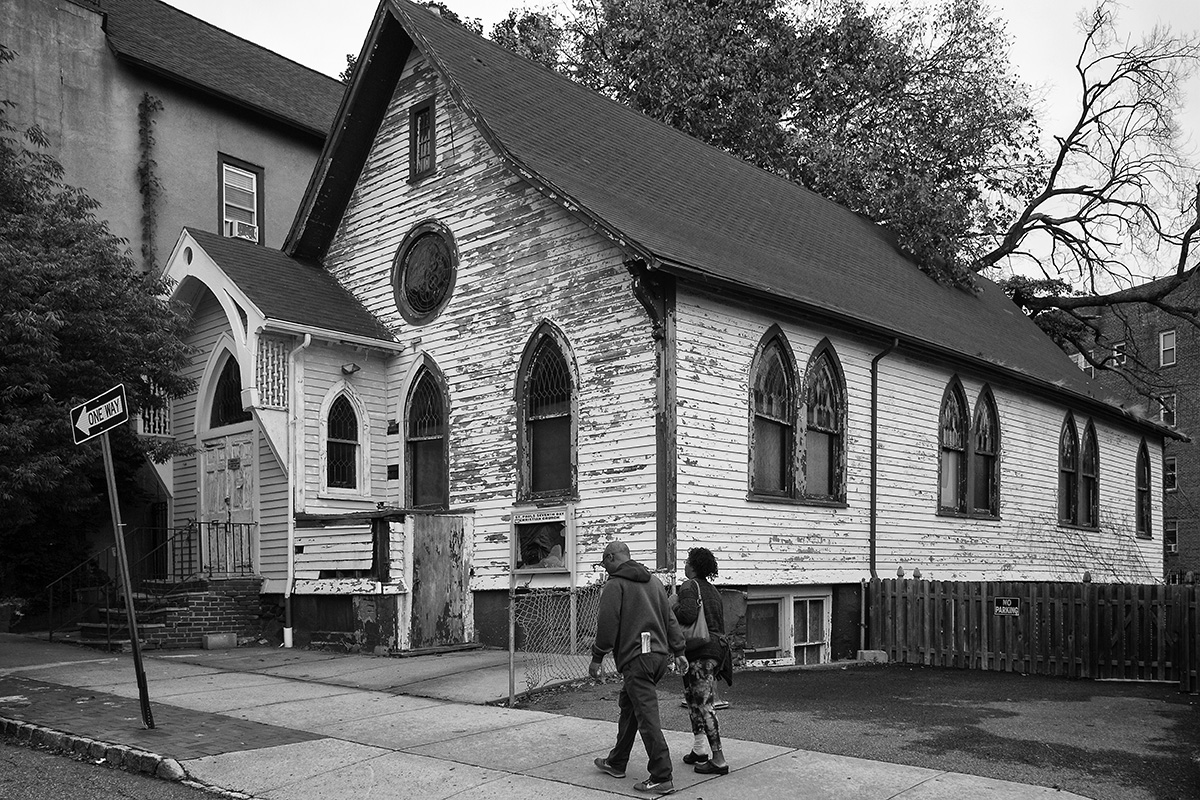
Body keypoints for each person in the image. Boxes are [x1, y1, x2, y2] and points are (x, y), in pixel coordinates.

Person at [589, 540, 688, 795]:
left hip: (636, 660)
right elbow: (669, 618)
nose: (605, 568)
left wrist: (597, 656)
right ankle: (617, 761)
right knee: (630, 707)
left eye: (605, 562)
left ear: (612, 558)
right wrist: (679, 651)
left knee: (646, 717)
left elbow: (607, 623)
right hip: (658, 659)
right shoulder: (654, 582)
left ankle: (661, 775)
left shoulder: (615, 585)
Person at [672, 546, 730, 775]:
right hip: (715, 650)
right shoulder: (713, 590)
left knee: (704, 704)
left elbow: (687, 615)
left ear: (693, 566)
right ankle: (699, 750)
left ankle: (719, 759)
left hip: (699, 652)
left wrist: (671, 605)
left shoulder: (689, 585)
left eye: (687, 561)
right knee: (694, 700)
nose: (684, 565)